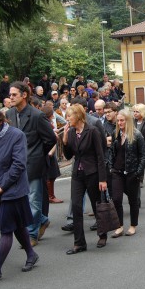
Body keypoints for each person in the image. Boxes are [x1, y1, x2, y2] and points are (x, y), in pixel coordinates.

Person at [0, 106, 38, 283]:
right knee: (17, 225)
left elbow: (18, 165)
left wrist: (0, 188)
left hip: (13, 191)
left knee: (6, 229)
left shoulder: (16, 135)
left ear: (0, 121)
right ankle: (31, 254)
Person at [5, 82, 57, 246]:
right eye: (10, 95)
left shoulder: (36, 115)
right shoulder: (10, 114)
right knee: (21, 201)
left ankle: (32, 234)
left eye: (14, 95)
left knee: (34, 200)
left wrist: (38, 155)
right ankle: (42, 220)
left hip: (34, 164)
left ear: (24, 95)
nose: (10, 97)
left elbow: (50, 139)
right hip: (16, 165)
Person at [62, 104, 107, 254]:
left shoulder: (92, 131)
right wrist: (65, 140)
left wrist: (102, 179)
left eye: (69, 116)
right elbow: (68, 156)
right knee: (76, 206)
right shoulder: (72, 132)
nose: (67, 119)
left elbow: (100, 156)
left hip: (92, 173)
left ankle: (102, 234)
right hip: (77, 174)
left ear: (79, 116)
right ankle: (79, 243)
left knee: (96, 205)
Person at [108, 109, 145, 237]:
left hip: (131, 172)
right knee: (117, 199)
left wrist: (138, 173)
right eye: (118, 120)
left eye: (122, 120)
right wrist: (111, 168)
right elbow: (112, 152)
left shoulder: (137, 135)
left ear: (128, 120)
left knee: (132, 200)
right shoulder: (115, 133)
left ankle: (133, 225)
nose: (120, 123)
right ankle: (119, 226)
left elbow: (143, 156)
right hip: (117, 172)